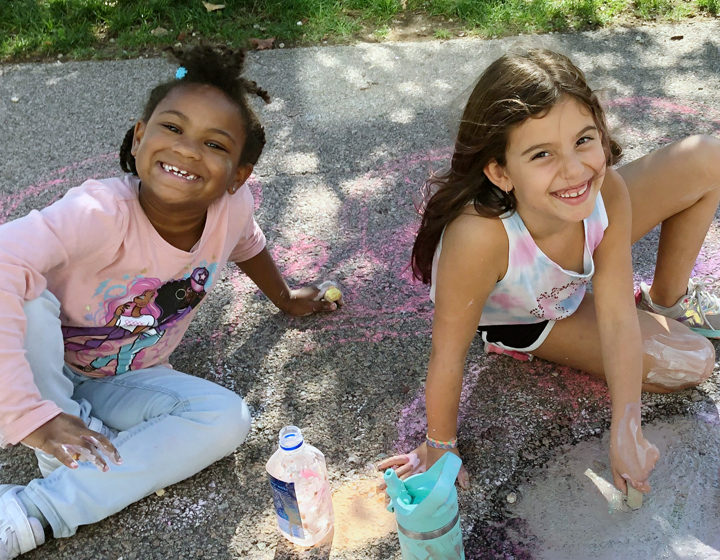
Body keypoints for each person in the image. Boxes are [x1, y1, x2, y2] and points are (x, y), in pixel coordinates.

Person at [0, 46, 341, 559]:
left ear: (238, 176)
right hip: (38, 364)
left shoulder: (233, 208)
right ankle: (51, 468)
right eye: (173, 129)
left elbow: (247, 244)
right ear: (139, 139)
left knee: (227, 418)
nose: (187, 150)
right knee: (26, 298)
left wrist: (288, 298)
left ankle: (47, 492)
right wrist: (29, 416)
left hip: (121, 379)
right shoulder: (97, 211)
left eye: (214, 143)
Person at [378, 48, 720, 496]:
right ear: (500, 171)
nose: (574, 168)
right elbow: (448, 351)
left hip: (565, 241)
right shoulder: (479, 239)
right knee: (693, 361)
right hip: (528, 314)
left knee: (706, 157)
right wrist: (440, 445)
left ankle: (665, 303)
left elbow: (617, 316)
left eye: (583, 140)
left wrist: (626, 425)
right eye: (542, 154)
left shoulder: (604, 188)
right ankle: (518, 342)